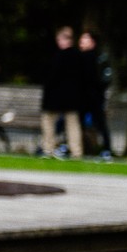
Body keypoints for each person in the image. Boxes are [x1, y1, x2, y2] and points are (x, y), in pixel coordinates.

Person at [40, 25, 86, 158]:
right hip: (72, 97)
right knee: (73, 124)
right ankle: (76, 151)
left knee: (48, 121)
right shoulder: (78, 56)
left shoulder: (58, 56)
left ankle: (48, 148)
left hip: (55, 97)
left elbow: (51, 77)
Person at [78, 30, 112, 160]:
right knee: (76, 123)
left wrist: (97, 91)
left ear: (92, 42)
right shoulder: (81, 57)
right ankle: (73, 147)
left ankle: (107, 149)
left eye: (85, 39)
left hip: (94, 97)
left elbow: (104, 79)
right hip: (83, 97)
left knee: (100, 123)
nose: (81, 41)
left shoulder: (99, 58)